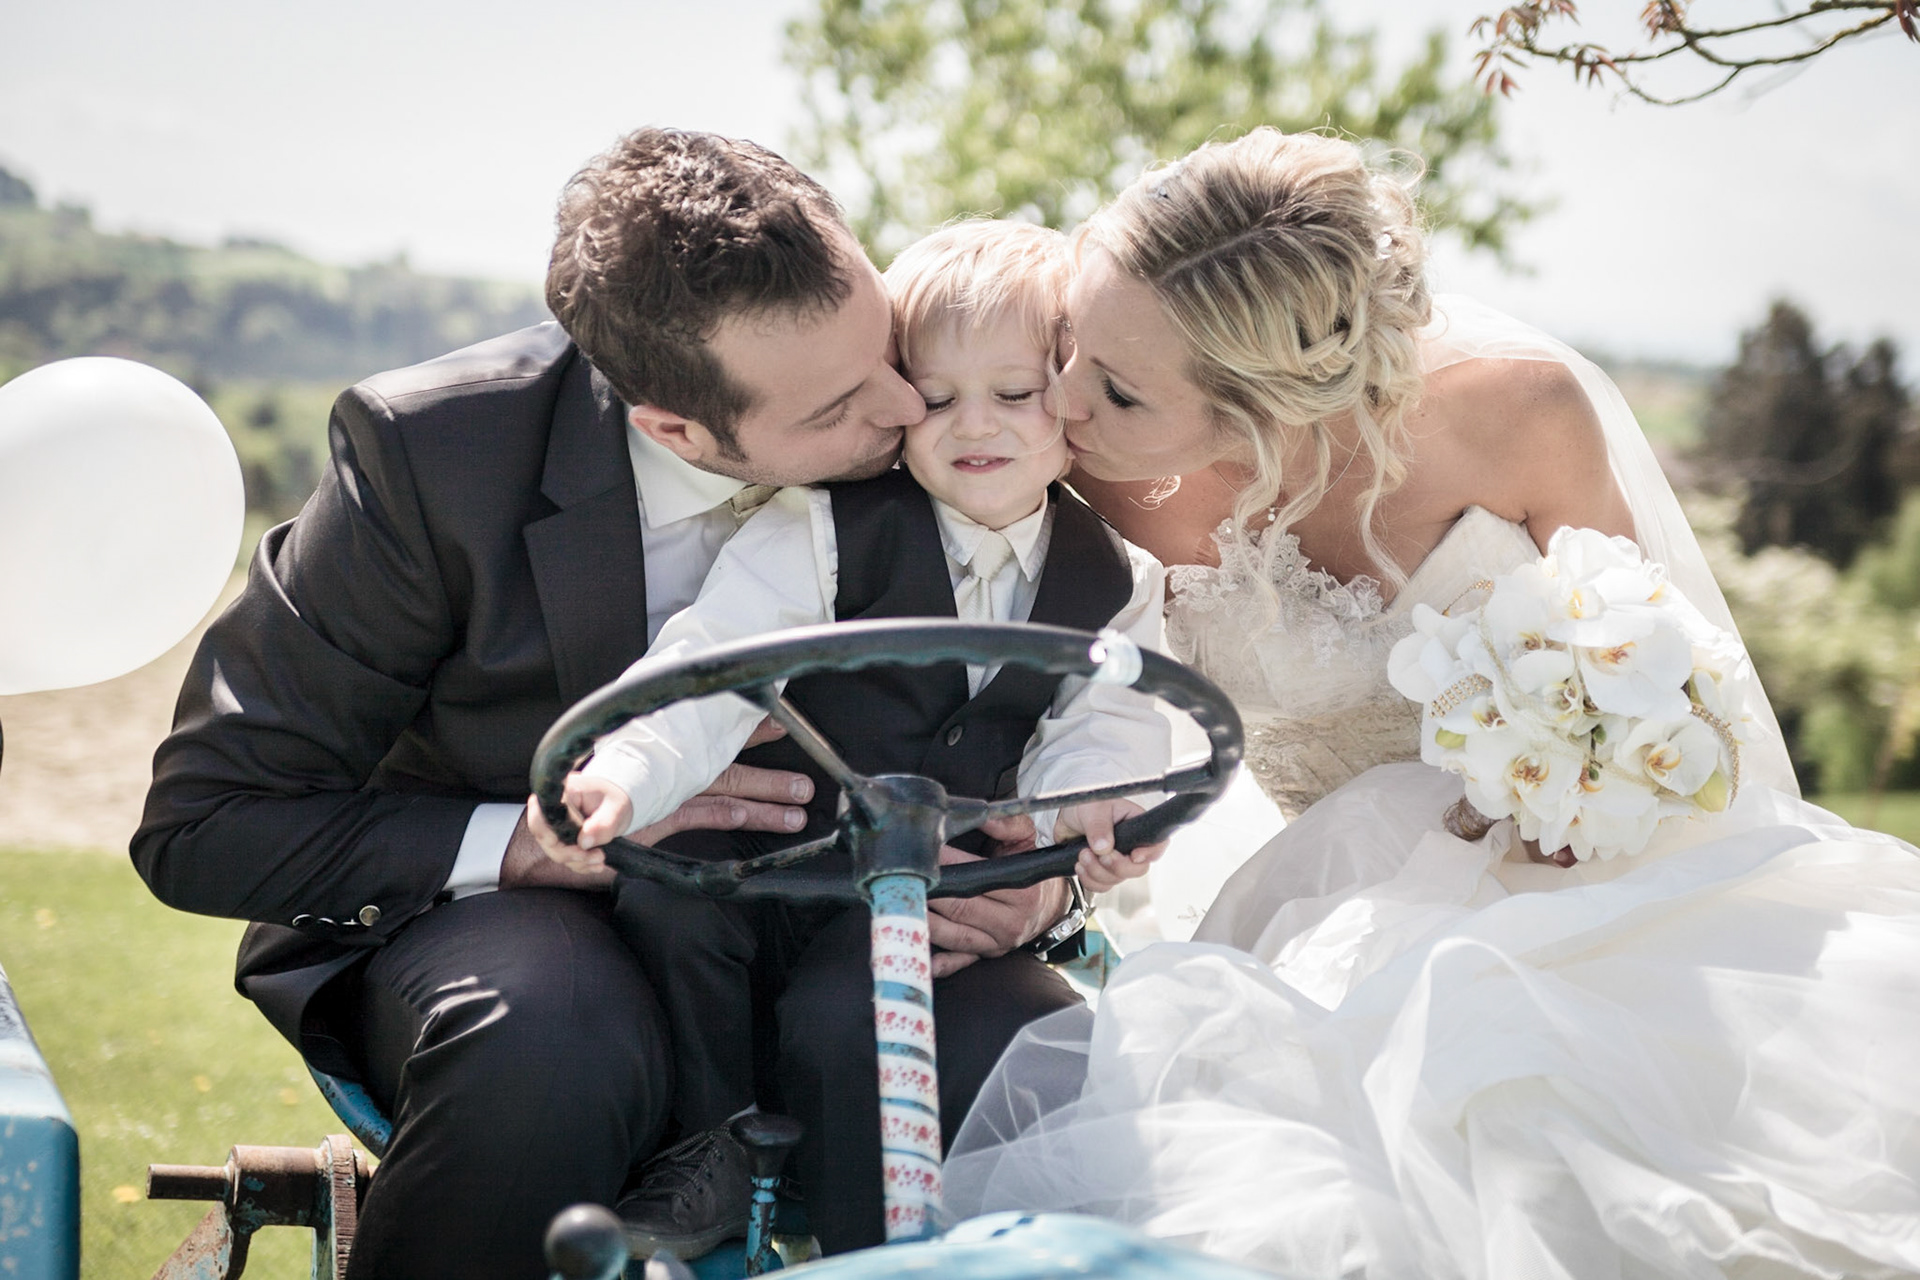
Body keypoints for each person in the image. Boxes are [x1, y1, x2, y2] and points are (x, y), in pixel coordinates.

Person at [943, 128, 1920, 1277]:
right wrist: (1042, 860)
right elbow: (1029, 686)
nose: (1060, 396)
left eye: (1114, 386)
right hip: (1322, 908)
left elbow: (1648, 656)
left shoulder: (1519, 409)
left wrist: (1595, 780)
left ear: (1262, 406)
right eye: (1071, 338)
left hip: (1598, 885)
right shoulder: (1069, 450)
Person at [131, 128, 1082, 1279]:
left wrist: (1048, 877)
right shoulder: (433, 457)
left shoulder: (960, 396)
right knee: (550, 1038)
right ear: (673, 427)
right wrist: (531, 844)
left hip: (858, 918)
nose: (905, 403)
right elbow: (207, 822)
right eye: (839, 403)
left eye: (883, 342)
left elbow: (1097, 674)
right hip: (532, 931)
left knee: (1032, 1047)